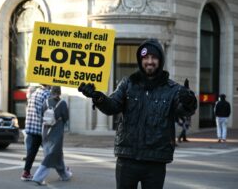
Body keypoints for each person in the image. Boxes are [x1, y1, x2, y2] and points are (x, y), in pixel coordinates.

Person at [78, 38, 197, 189]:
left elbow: (185, 111)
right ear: (140, 61)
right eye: (146, 58)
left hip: (155, 161)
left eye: (154, 58)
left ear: (160, 61)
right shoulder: (127, 84)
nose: (149, 61)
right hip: (127, 159)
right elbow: (112, 106)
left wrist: (189, 101)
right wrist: (98, 97)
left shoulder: (172, 89)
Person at [32, 86, 72, 186]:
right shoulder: (62, 103)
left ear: (51, 92)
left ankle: (64, 175)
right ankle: (38, 177)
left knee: (56, 152)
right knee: (52, 153)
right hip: (56, 131)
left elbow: (41, 115)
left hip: (45, 131)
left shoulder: (45, 102)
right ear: (60, 92)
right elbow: (66, 117)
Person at [20, 84, 51, 181]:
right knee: (53, 150)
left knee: (32, 151)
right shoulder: (47, 94)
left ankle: (26, 172)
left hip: (32, 126)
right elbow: (49, 112)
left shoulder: (34, 93)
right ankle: (62, 170)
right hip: (41, 128)